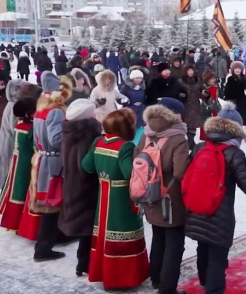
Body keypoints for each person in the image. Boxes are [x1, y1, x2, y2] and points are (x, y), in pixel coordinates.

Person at [185, 102, 246, 293]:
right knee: (217, 253)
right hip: (220, 212)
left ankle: (204, 280)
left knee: (203, 245)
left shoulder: (199, 147)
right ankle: (214, 288)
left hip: (197, 208)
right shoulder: (234, 153)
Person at [82, 109, 150, 289]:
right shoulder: (124, 146)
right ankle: (121, 278)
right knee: (123, 232)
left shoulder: (98, 141)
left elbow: (86, 166)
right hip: (120, 198)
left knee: (104, 233)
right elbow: (128, 173)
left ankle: (102, 271)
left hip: (103, 194)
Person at [136, 98, 190, 292]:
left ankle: (156, 277)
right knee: (174, 244)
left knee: (158, 237)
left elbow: (137, 158)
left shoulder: (146, 133)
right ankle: (167, 288)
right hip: (170, 199)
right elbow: (180, 172)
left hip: (149, 195)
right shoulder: (178, 138)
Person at [31, 71, 72, 262]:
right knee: (52, 204)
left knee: (50, 203)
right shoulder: (56, 110)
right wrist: (71, 133)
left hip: (43, 160)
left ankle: (57, 237)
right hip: (54, 162)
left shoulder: (40, 109)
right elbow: (56, 139)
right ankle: (43, 249)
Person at [59, 99, 102, 277]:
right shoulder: (89, 133)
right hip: (87, 185)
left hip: (71, 182)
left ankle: (81, 263)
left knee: (83, 224)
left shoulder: (69, 131)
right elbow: (87, 164)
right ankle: (84, 262)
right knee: (89, 226)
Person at [0, 93, 41, 237]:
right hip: (26, 165)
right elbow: (36, 147)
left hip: (17, 162)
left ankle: (12, 222)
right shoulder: (31, 128)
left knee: (15, 191)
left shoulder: (20, 124)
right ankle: (20, 222)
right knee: (22, 191)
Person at [0, 79, 26, 189]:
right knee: (8, 170)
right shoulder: (15, 106)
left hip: (4, 141)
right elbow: (15, 128)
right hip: (9, 143)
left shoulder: (11, 104)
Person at [223, 61, 246, 141]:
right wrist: (230, 98)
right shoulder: (230, 79)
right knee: (236, 119)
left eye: (239, 69)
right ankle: (236, 135)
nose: (237, 70)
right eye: (236, 69)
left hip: (242, 100)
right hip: (234, 101)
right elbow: (227, 91)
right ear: (233, 70)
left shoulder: (243, 78)